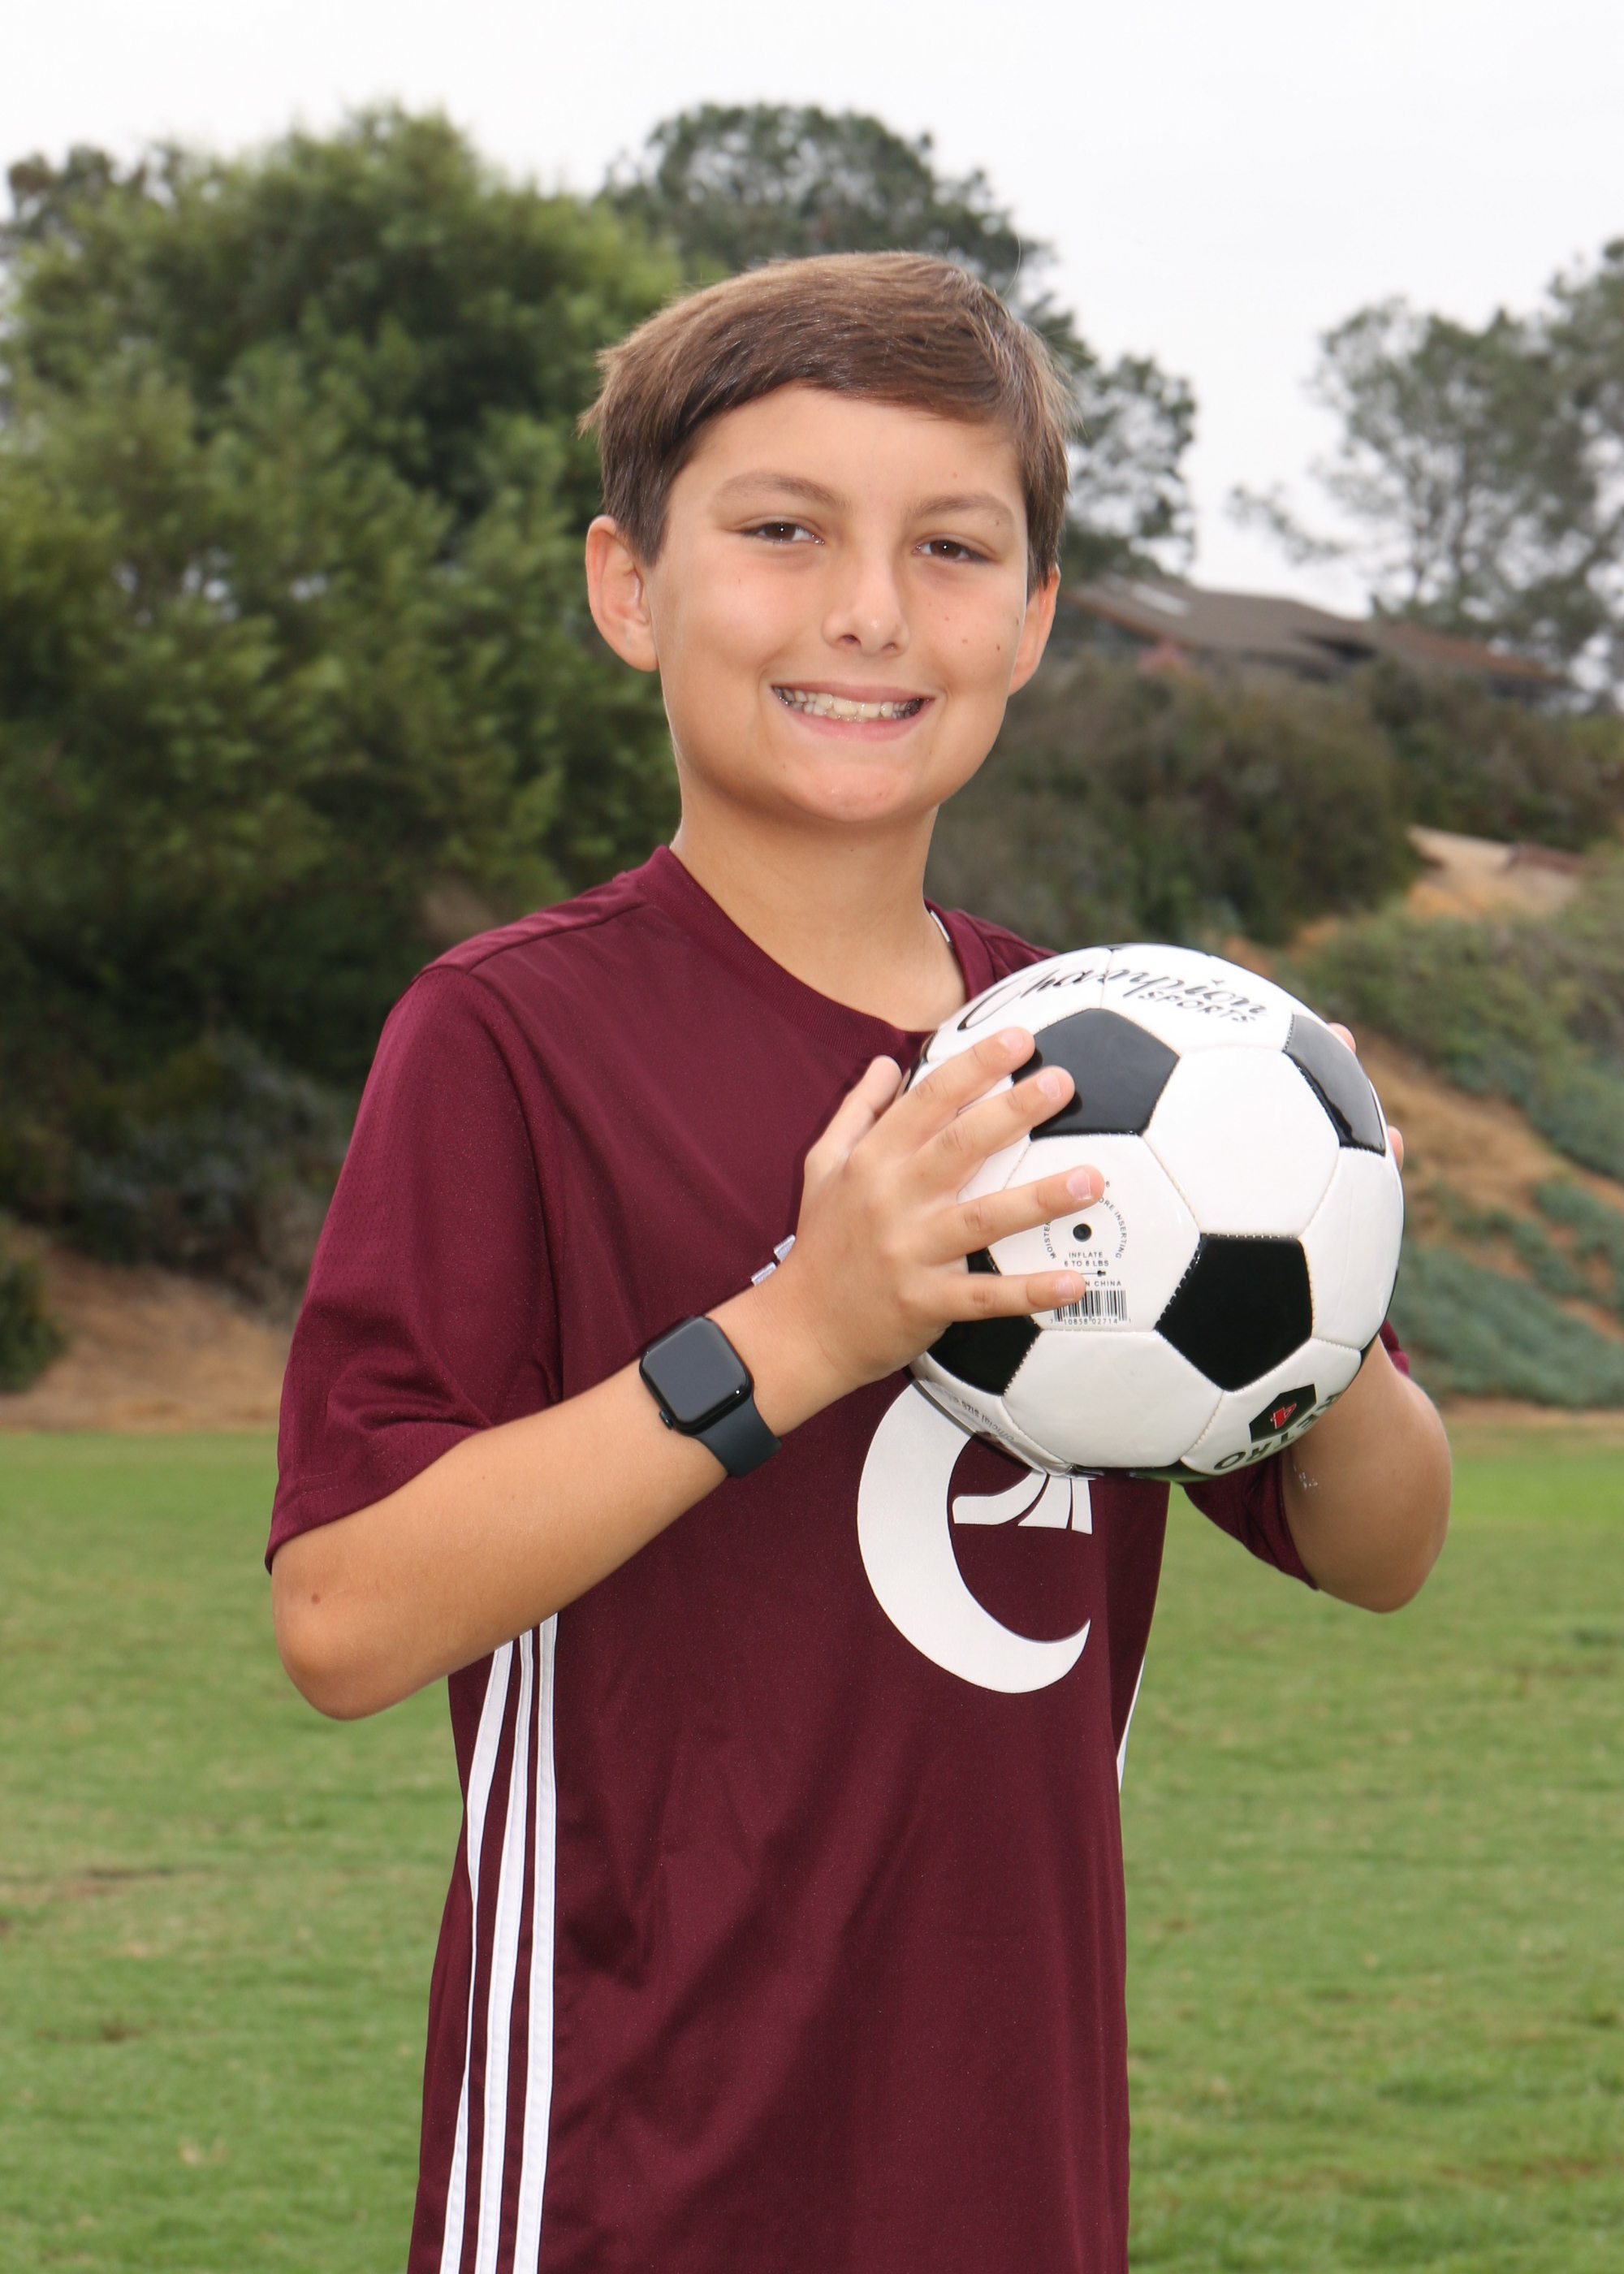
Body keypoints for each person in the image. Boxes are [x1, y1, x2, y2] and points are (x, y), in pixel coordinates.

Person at [269, 253, 1452, 2274]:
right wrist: (802, 1326)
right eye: (782, 529)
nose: (870, 611)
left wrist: (1333, 1294)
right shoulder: (512, 1037)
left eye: (952, 546)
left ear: (1035, 615)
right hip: (627, 2181)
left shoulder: (1107, 1061)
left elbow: (1383, 1547)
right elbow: (345, 1616)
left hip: (1015, 2176)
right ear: (628, 585)